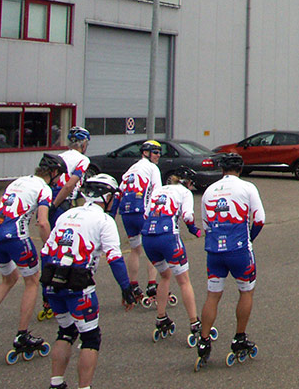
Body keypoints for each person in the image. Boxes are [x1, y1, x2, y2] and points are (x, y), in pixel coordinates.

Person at [0, 154, 65, 361]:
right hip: (16, 237)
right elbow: (43, 223)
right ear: (53, 173)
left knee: (8, 279)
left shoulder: (17, 182)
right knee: (32, 281)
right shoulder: (44, 189)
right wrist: (50, 248)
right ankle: (22, 335)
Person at [41, 173, 139, 389]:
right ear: (107, 197)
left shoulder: (67, 215)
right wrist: (126, 289)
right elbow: (115, 258)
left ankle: (55, 383)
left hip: (51, 280)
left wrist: (43, 291)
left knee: (65, 332)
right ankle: (84, 387)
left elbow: (45, 252)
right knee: (90, 338)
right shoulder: (104, 220)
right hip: (79, 283)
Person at [196, 153, 265, 369]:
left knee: (213, 295)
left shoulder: (208, 191)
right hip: (239, 250)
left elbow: (206, 224)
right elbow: (260, 219)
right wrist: (248, 239)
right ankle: (239, 337)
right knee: (245, 291)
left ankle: (204, 341)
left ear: (222, 169)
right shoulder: (247, 187)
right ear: (240, 169)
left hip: (215, 250)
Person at [140, 166, 203, 344]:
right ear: (187, 182)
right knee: (183, 280)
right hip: (168, 236)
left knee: (165, 276)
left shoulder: (158, 190)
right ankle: (194, 323)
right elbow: (188, 216)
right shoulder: (184, 192)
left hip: (148, 236)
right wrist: (194, 231)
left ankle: (161, 317)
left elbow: (146, 214)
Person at [109, 139, 163, 303]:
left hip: (127, 213)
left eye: (159, 152)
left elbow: (119, 191)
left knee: (135, 249)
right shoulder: (152, 168)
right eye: (155, 152)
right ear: (145, 153)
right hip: (143, 212)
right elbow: (157, 192)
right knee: (152, 250)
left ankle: (133, 285)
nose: (158, 156)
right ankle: (152, 285)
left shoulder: (132, 168)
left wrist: (111, 215)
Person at [49, 126, 92, 228]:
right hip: (63, 200)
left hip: (52, 195)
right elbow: (69, 185)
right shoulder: (83, 159)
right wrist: (55, 205)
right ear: (84, 144)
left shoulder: (60, 156)